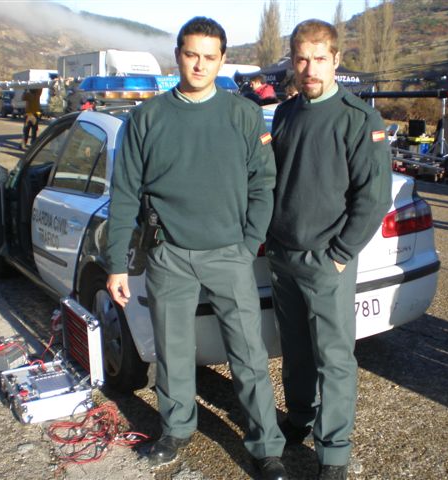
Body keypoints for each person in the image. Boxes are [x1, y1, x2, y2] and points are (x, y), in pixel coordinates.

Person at [106, 17, 287, 480]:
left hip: (230, 252)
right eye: (191, 54)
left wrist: (247, 245)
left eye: (210, 56)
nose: (200, 64)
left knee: (248, 354)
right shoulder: (147, 118)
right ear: (178, 55)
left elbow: (263, 184)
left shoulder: (243, 115)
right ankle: (175, 430)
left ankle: (266, 447)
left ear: (223, 59)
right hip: (169, 254)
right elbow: (125, 193)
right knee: (173, 350)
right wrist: (116, 266)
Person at [266, 20, 392, 480]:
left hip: (326, 261)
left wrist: (339, 253)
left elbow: (374, 198)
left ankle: (334, 451)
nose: (309, 68)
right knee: (296, 349)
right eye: (301, 59)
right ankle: (299, 417)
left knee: (334, 357)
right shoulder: (285, 114)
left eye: (319, 59)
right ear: (292, 62)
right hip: (282, 256)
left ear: (336, 61)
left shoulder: (358, 118)